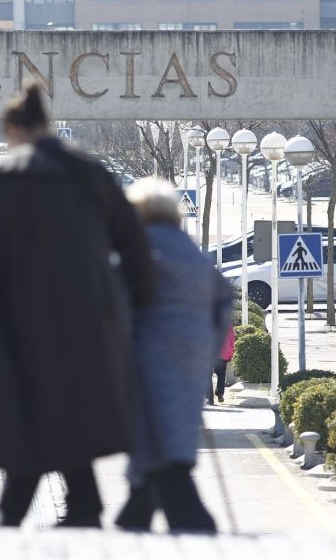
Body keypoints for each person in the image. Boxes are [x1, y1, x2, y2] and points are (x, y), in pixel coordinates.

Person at [0, 83, 155, 528]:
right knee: (64, 407)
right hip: (89, 317)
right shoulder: (92, 175)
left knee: (31, 408)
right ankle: (77, 505)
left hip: (17, 323)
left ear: (13, 130)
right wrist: (139, 302)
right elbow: (134, 244)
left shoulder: (1, 182)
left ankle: (21, 512)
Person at [115, 177, 233, 534]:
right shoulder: (191, 251)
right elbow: (223, 299)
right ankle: (135, 514)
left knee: (153, 431)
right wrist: (209, 347)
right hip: (193, 353)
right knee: (170, 427)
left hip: (149, 352)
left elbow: (118, 302)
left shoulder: (138, 248)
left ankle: (192, 521)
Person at [208, 328, 235, 405]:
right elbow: (232, 340)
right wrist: (230, 354)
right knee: (221, 374)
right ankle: (220, 393)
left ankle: (210, 398)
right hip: (223, 353)